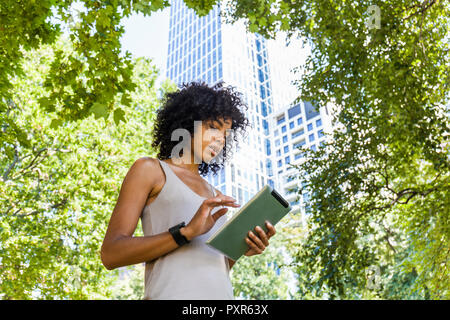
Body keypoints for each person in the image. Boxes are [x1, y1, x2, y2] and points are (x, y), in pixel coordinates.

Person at [100, 81, 277, 299]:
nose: (220, 139)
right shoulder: (150, 170)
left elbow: (208, 267)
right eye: (213, 127)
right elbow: (111, 254)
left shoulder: (216, 195)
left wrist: (242, 249)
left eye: (225, 134)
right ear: (187, 123)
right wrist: (185, 233)